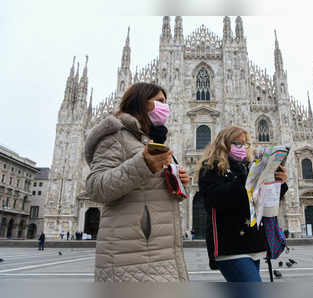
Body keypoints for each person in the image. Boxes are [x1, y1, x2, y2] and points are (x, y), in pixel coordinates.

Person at [85, 82, 190, 282]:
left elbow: (150, 191)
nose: (165, 106)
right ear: (141, 103)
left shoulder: (152, 140)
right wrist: (144, 164)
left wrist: (179, 182)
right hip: (131, 255)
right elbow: (95, 187)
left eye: (166, 102)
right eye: (159, 101)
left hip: (162, 252)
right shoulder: (116, 136)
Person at [197, 126, 288, 282]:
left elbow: (262, 202)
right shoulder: (210, 169)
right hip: (230, 245)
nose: (242, 148)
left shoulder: (247, 167)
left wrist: (277, 182)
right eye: (237, 143)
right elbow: (215, 200)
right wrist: (247, 178)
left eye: (245, 144)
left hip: (252, 244)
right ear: (224, 144)